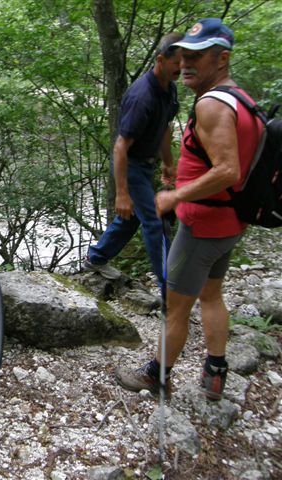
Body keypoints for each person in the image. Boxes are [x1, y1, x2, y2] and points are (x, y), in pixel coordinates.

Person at [115, 18, 263, 400]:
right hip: (232, 220)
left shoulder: (212, 105)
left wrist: (175, 196)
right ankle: (215, 374)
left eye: (199, 56)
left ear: (223, 58)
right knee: (212, 295)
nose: (187, 64)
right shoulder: (243, 100)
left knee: (175, 307)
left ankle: (155, 376)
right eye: (184, 55)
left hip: (202, 225)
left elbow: (227, 170)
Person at [84, 33, 183, 289]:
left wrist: (168, 164)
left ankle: (96, 257)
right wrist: (122, 193)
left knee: (131, 218)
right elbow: (120, 148)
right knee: (156, 221)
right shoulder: (143, 97)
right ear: (161, 60)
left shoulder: (169, 90)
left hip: (147, 164)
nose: (182, 70)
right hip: (131, 164)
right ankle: (169, 289)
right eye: (178, 64)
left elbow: (164, 128)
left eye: (186, 64)